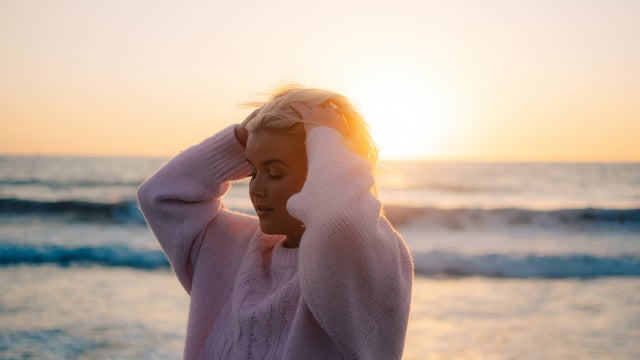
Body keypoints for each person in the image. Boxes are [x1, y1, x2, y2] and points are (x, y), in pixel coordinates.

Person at [137, 85, 414, 359]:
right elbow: (161, 196)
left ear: (324, 168)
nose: (256, 188)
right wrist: (239, 140)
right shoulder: (234, 247)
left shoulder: (368, 260)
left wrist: (326, 136)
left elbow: (337, 223)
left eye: (275, 172)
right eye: (253, 171)